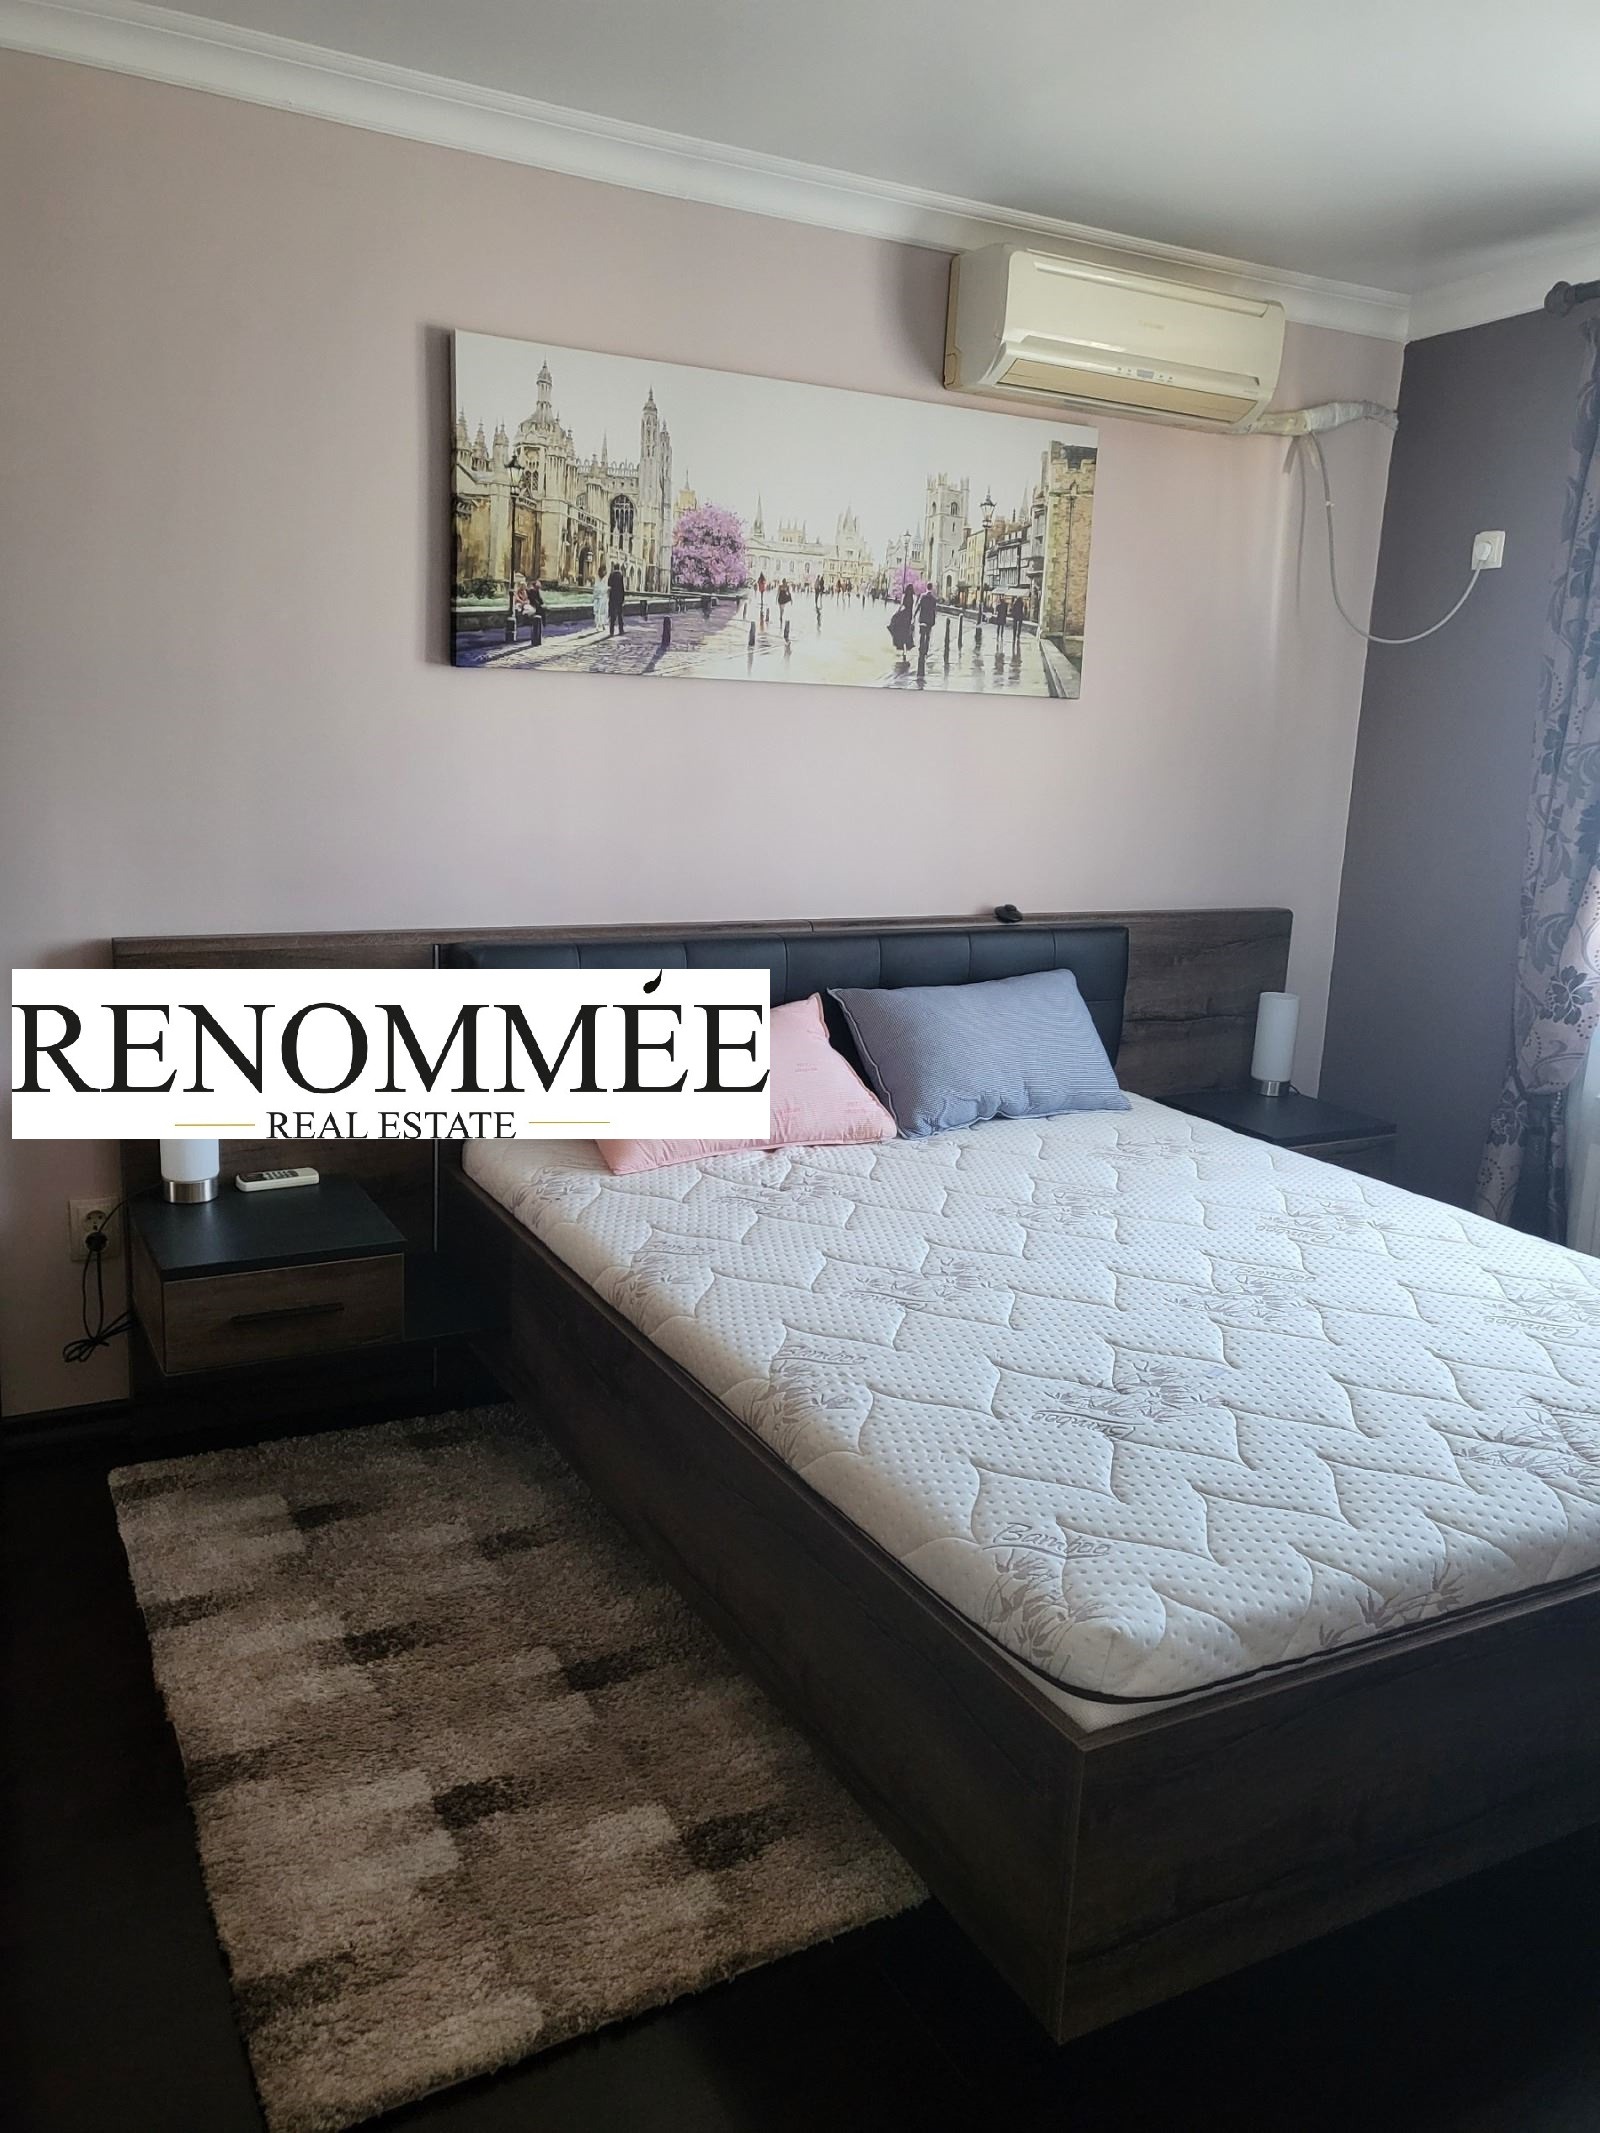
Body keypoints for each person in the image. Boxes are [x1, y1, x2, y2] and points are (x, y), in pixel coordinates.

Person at [916, 585, 938, 661]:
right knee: (928, 635)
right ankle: (926, 649)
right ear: (931, 588)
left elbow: (918, 606)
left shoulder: (922, 596)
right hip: (929, 620)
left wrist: (914, 615)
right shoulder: (933, 599)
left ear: (926, 587)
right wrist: (934, 619)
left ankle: (921, 648)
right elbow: (934, 610)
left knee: (922, 634)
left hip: (923, 619)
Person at [607, 563, 626, 636]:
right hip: (619, 598)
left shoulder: (611, 575)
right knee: (620, 615)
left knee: (612, 615)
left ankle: (611, 631)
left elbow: (609, 584)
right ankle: (621, 630)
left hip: (612, 597)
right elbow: (622, 587)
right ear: (619, 568)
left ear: (614, 568)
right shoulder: (620, 575)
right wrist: (623, 598)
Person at [591, 566, 607, 633]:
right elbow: (600, 589)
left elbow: (596, 589)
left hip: (600, 598)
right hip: (600, 598)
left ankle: (601, 625)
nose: (604, 572)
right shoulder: (601, 579)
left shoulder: (602, 579)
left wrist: (594, 597)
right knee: (599, 612)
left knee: (600, 612)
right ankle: (599, 625)